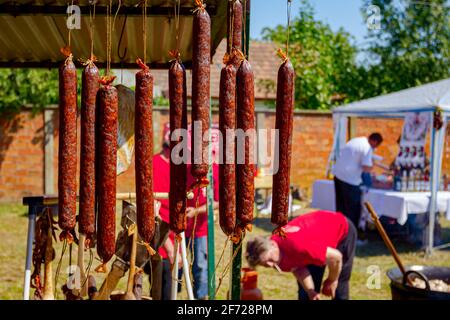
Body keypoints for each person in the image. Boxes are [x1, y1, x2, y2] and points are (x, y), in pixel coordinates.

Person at [245, 210, 356, 300]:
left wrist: (332, 280)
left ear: (273, 244)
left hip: (341, 229)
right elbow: (298, 268)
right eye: (264, 264)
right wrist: (310, 291)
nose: (270, 265)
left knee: (338, 287)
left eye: (269, 259)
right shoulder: (276, 256)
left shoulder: (298, 245)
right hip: (314, 245)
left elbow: (336, 257)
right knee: (306, 295)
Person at [332, 133, 383, 231]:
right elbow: (366, 168)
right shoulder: (367, 147)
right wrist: (372, 167)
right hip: (350, 180)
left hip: (338, 176)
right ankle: (352, 234)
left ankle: (340, 232)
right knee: (353, 211)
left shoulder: (356, 140)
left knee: (341, 209)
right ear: (375, 142)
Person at [184, 162, 219, 300]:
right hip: (180, 227)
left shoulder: (215, 171)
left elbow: (217, 202)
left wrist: (196, 211)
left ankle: (200, 299)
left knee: (200, 266)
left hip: (200, 230)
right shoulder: (185, 168)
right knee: (179, 268)